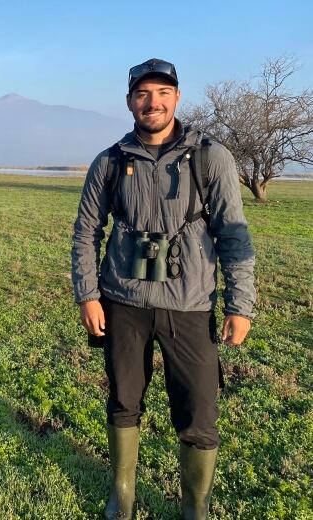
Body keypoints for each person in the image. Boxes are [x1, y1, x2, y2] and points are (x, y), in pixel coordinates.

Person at [70, 58, 256, 519]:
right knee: (123, 398)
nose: (152, 102)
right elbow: (85, 232)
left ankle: (196, 506)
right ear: (130, 100)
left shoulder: (211, 157)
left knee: (198, 408)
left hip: (190, 305)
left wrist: (240, 304)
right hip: (123, 302)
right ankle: (123, 495)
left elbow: (233, 233)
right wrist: (88, 294)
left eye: (162, 93)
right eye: (142, 94)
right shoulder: (110, 162)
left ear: (177, 97)